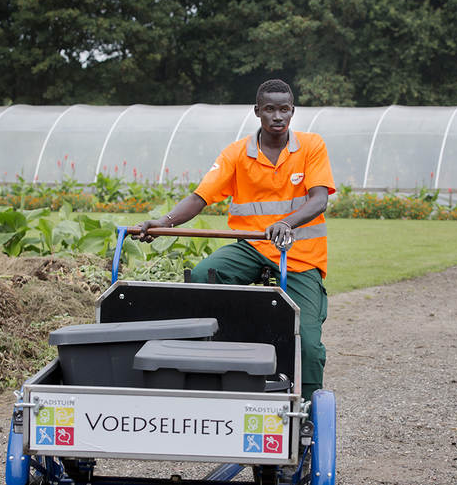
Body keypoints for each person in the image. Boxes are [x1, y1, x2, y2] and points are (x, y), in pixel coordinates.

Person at [137, 78, 335, 396]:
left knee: (308, 342)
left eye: (284, 109)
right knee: (204, 275)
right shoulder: (236, 154)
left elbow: (319, 199)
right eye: (269, 109)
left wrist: (286, 223)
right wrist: (164, 221)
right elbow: (200, 197)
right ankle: (210, 355)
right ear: (257, 111)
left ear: (293, 111)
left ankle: (309, 409)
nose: (277, 116)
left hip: (300, 256)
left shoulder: (311, 146)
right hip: (253, 248)